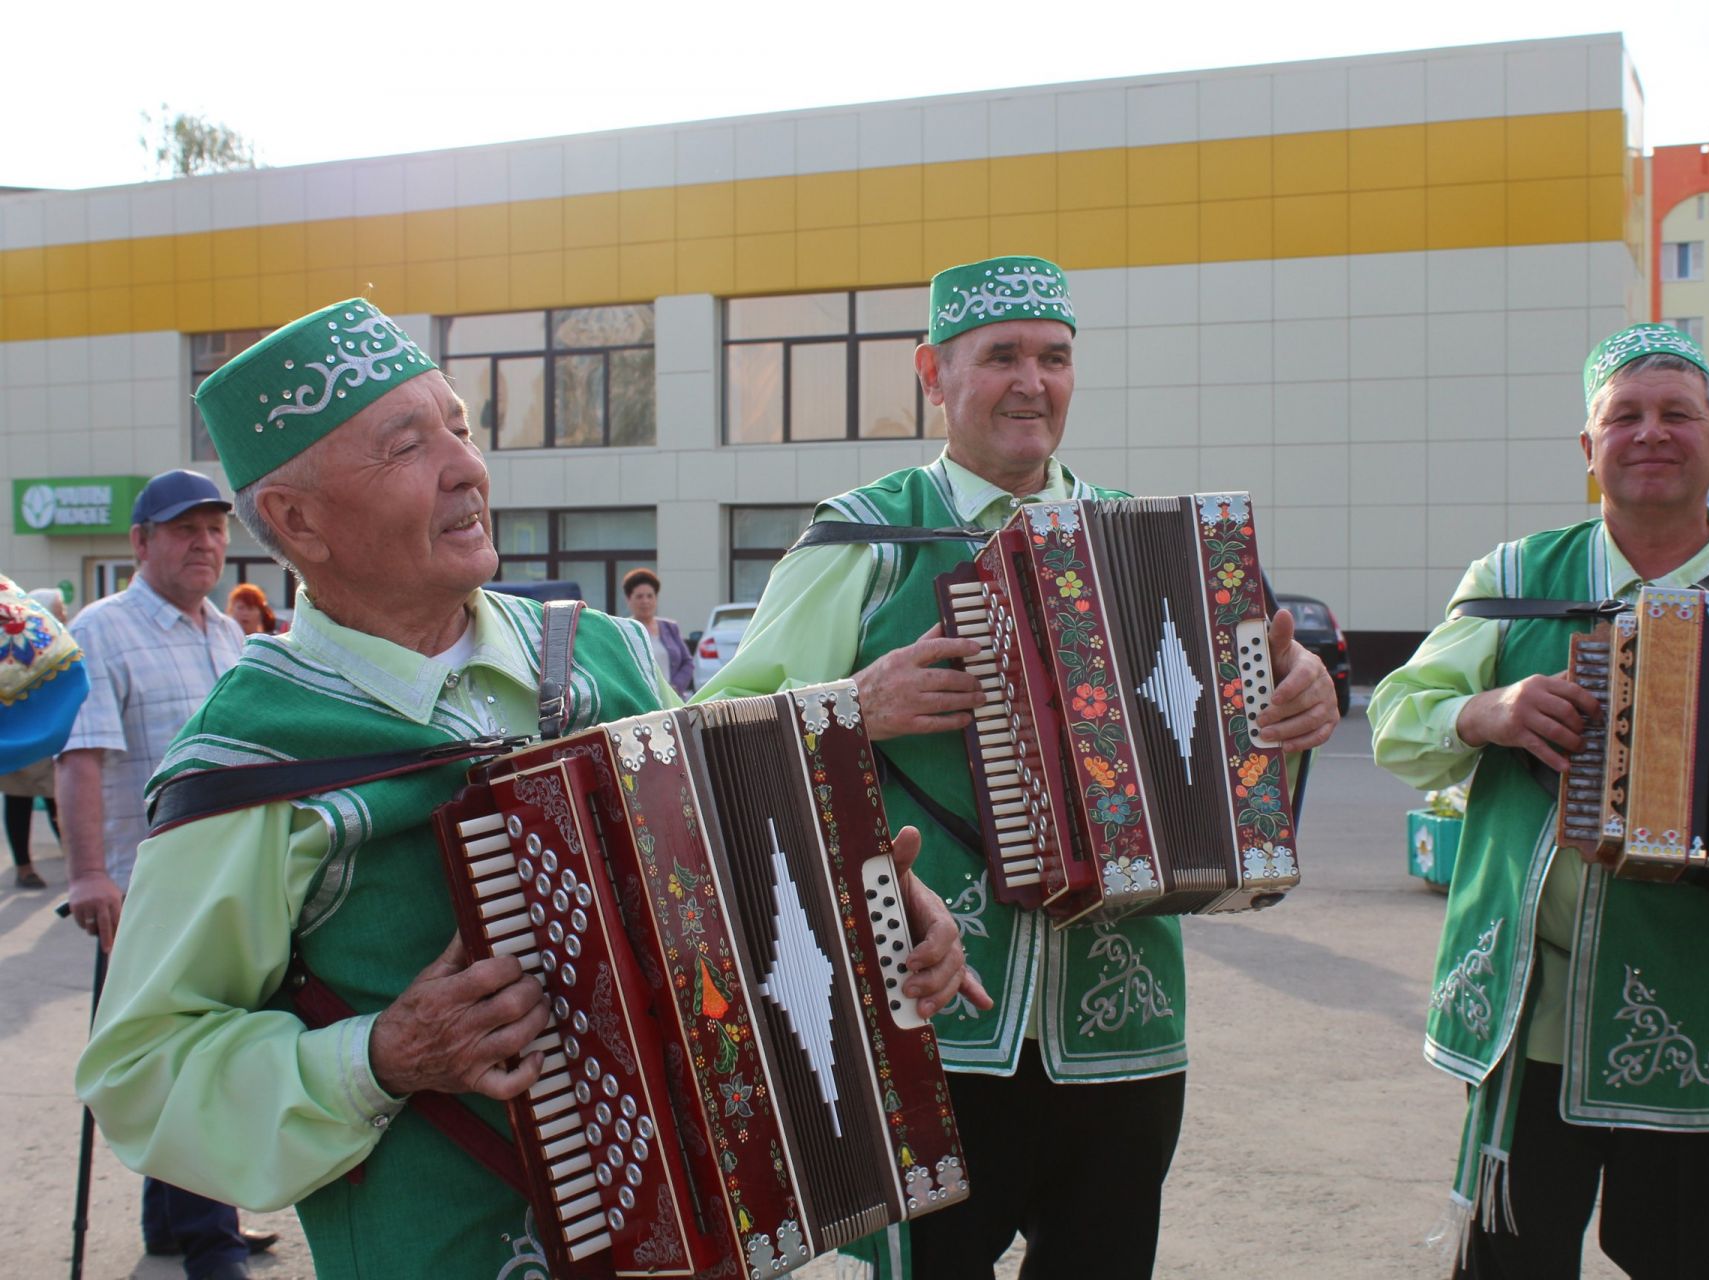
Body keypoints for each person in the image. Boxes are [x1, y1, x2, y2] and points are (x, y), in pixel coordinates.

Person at [74, 300, 981, 1278]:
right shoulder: (254, 763)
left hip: (739, 1228)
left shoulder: (606, 657)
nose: (466, 466)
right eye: (406, 445)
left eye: (461, 427)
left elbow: (711, 875)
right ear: (299, 519)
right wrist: (379, 1055)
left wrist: (869, 913)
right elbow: (140, 1072)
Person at [701, 255, 1339, 1280]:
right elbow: (713, 740)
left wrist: (1301, 686)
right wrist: (854, 707)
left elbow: (1249, 714)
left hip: (1127, 1022)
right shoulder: (866, 537)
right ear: (932, 372)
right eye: (1000, 356)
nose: (1031, 381)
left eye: (1054, 356)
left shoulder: (1152, 539)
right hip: (935, 1020)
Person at [1368, 324, 1709, 1280]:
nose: (1650, 434)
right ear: (1589, 447)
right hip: (1525, 1016)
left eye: (1676, 414)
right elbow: (1398, 722)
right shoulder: (1516, 579)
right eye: (1625, 417)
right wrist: (1490, 710)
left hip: (1698, 1020)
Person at [55, 471, 272, 1280]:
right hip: (140, 891)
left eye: (215, 529)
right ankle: (212, 1245)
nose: (205, 543)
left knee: (190, 1049)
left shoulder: (230, 637)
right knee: (187, 1059)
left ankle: (173, 1225)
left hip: (225, 887)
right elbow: (81, 759)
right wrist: (84, 875)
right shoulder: (102, 630)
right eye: (185, 530)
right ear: (141, 542)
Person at [1, 578, 87, 888]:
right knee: (19, 801)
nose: (63, 613)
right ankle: (24, 866)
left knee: (55, 799)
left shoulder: (59, 640)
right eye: (58, 608)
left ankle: (73, 858)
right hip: (19, 730)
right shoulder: (28, 636)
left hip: (46, 735)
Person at [621, 565, 694, 696]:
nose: (645, 601)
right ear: (628, 599)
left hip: (672, 701)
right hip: (641, 702)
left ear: (656, 598)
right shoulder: (623, 630)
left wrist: (675, 687)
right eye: (639, 596)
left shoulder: (670, 627)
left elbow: (687, 662)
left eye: (650, 596)